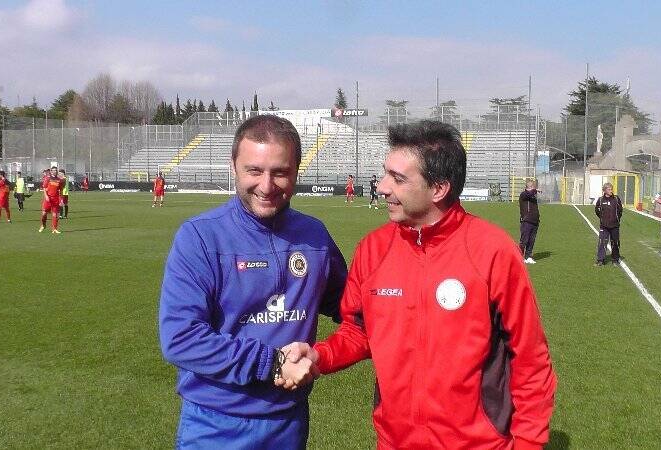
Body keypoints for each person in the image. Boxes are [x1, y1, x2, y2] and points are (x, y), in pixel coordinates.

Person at [281, 120, 557, 449]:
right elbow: (359, 332)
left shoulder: (492, 251)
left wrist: (527, 444)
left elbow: (530, 359)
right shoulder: (373, 249)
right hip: (395, 442)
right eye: (386, 174)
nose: (383, 187)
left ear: (438, 188)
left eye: (397, 179)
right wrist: (318, 355)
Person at [158, 114, 347, 449]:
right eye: (254, 171)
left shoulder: (314, 236)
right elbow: (181, 338)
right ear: (234, 167)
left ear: (296, 171)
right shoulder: (201, 236)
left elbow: (352, 306)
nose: (266, 185)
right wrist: (271, 362)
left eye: (280, 172)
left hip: (288, 422)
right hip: (215, 424)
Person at [594, 182, 623, 266]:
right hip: (604, 226)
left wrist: (616, 219)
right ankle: (600, 260)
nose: (611, 191)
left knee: (615, 242)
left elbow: (620, 210)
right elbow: (597, 211)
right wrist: (603, 219)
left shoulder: (616, 199)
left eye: (611, 189)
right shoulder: (600, 200)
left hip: (615, 225)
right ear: (604, 190)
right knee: (602, 242)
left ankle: (615, 259)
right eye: (609, 189)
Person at [519, 179, 540, 264]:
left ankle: (528, 257)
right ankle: (519, 257)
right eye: (534, 187)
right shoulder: (524, 194)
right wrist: (535, 190)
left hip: (535, 221)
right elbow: (529, 193)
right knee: (524, 240)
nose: (536, 189)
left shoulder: (532, 195)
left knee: (532, 240)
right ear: (530, 187)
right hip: (526, 221)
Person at [40, 167, 64, 234]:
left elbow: (61, 191)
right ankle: (43, 225)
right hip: (48, 199)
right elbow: (44, 188)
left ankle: (54, 229)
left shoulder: (59, 180)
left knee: (54, 215)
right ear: (51, 171)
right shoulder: (47, 178)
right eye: (53, 170)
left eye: (56, 170)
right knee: (44, 214)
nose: (55, 171)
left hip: (55, 199)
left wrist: (61, 200)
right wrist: (46, 196)